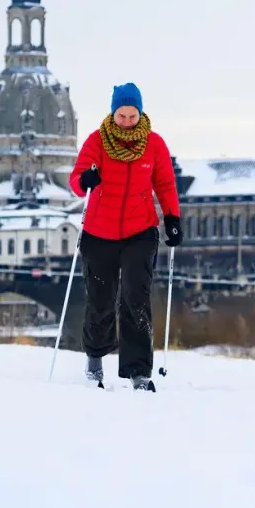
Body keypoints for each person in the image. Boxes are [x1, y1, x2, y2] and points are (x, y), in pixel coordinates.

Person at [70, 83, 183, 391]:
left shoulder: (154, 144)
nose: (127, 122)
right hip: (99, 232)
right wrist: (85, 179)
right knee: (101, 300)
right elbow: (77, 181)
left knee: (136, 297)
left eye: (132, 116)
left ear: (140, 113)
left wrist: (172, 218)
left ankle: (139, 371)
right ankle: (95, 358)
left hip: (139, 231)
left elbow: (165, 183)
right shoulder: (97, 141)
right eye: (122, 116)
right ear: (113, 113)